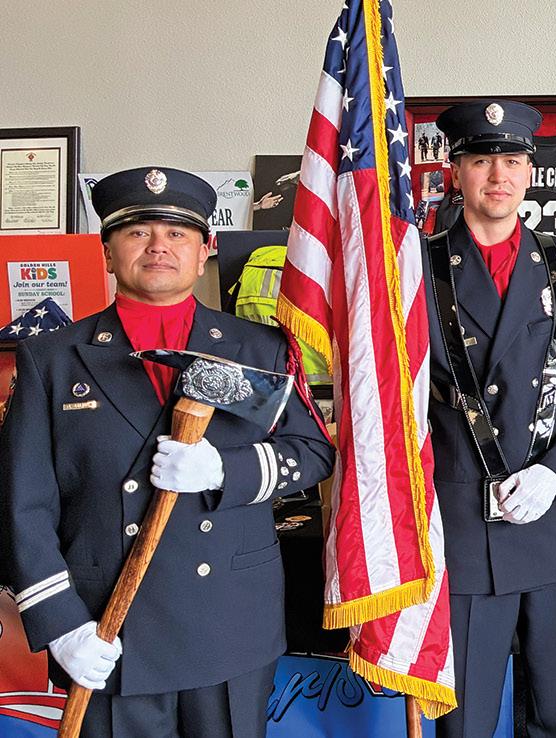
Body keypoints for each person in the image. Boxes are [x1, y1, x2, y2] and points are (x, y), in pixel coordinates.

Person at [0, 167, 334, 737]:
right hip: (108, 626)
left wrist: (222, 469)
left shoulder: (257, 348)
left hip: (229, 622)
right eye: (138, 232)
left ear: (204, 252)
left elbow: (312, 452)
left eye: (178, 233)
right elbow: (21, 506)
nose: (159, 246)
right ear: (107, 253)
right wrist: (60, 624)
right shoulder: (52, 359)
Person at [424, 99, 556, 737]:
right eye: (481, 160)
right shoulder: (415, 268)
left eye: (511, 160)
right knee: (466, 720)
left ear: (530, 172)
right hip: (461, 522)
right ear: (456, 172)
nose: (498, 174)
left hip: (550, 520)